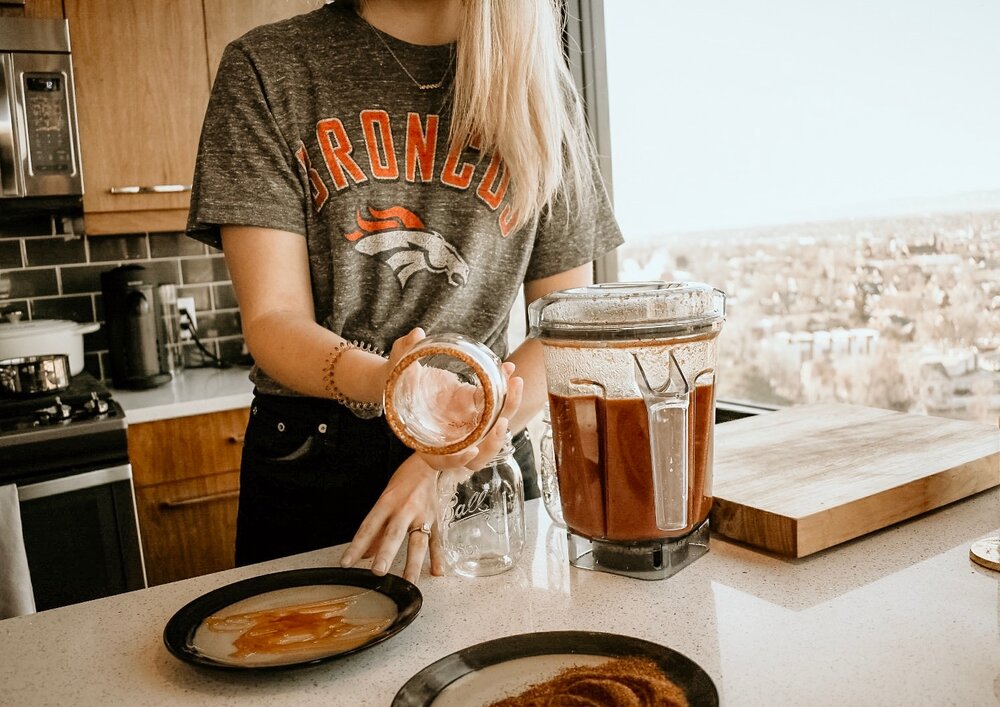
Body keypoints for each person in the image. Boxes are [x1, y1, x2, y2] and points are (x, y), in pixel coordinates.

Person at [186, 0, 622, 584]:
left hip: (486, 456)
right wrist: (406, 398)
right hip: (316, 458)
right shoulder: (269, 66)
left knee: (492, 666)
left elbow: (567, 329)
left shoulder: (539, 83)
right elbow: (273, 319)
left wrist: (441, 457)